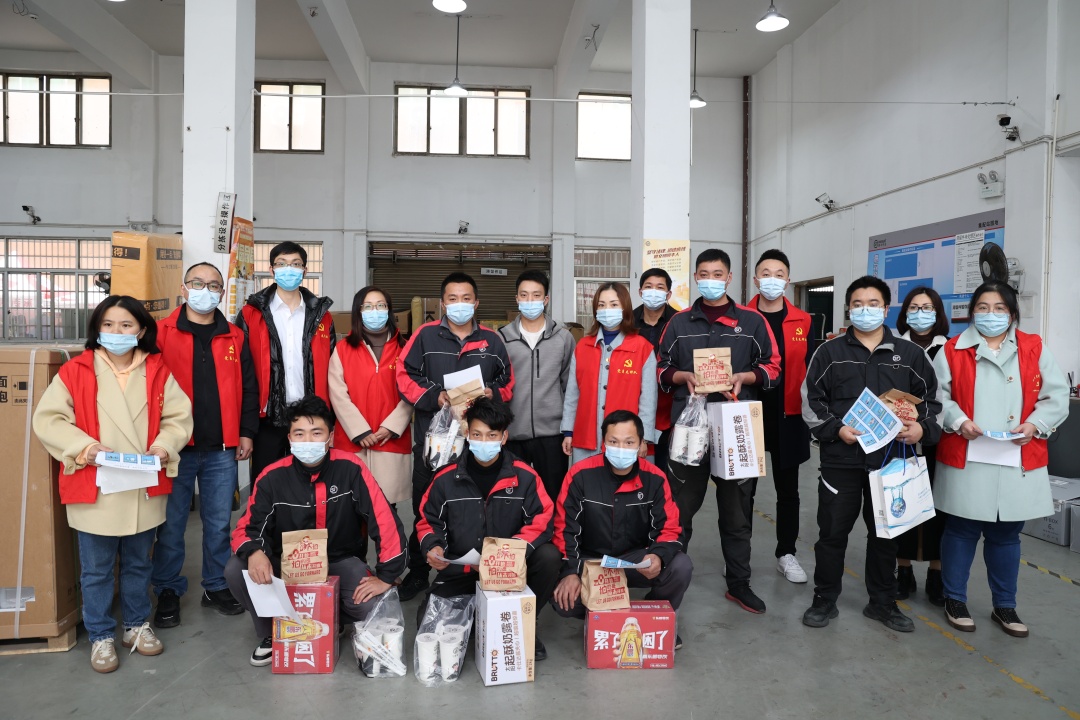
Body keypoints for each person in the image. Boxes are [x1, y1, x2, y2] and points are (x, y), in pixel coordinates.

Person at [33, 296, 193, 673]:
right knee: (97, 569)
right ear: (97, 329)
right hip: (95, 483)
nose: (116, 332)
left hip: (141, 484)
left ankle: (136, 626)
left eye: (125, 325)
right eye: (108, 325)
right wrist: (84, 448)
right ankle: (101, 634)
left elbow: (178, 417)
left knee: (139, 563)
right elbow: (49, 419)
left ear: (141, 330)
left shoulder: (157, 370)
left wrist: (164, 446)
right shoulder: (76, 370)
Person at [800, 275, 941, 633]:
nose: (866, 310)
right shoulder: (829, 352)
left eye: (873, 304)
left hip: (891, 461)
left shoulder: (911, 355)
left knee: (886, 535)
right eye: (858, 304)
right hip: (841, 460)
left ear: (886, 308)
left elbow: (933, 402)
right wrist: (837, 430)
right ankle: (824, 598)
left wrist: (921, 429)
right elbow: (811, 401)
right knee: (832, 534)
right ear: (848, 309)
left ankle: (882, 602)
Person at [225, 395, 407, 666]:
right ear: (289, 438)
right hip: (286, 566)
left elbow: (383, 519)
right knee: (236, 569)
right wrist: (254, 552)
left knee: (371, 605)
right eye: (299, 434)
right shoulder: (272, 477)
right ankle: (272, 631)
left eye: (316, 433)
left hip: (340, 562)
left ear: (330, 437)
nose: (307, 441)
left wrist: (387, 576)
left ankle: (333, 620)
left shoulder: (351, 468)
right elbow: (246, 527)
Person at [932, 281, 1068, 638]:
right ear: (972, 311)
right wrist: (959, 421)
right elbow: (937, 397)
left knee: (1007, 534)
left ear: (1012, 313)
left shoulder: (1034, 347)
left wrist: (1034, 424)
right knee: (961, 530)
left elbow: (1056, 396)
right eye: (983, 307)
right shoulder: (952, 350)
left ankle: (1005, 605)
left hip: (1016, 453)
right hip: (968, 452)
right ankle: (954, 599)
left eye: (999, 308)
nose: (990, 315)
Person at [656, 248, 780, 614]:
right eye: (704, 274)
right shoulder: (679, 323)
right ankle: (668, 582)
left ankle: (739, 584)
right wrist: (683, 376)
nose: (711, 279)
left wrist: (746, 377)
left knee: (737, 513)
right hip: (690, 428)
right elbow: (661, 369)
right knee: (679, 511)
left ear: (729, 278)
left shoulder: (752, 321)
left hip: (736, 428)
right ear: (696, 277)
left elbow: (773, 368)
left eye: (718, 274)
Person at [151, 263, 260, 628]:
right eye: (197, 283)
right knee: (171, 525)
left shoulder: (234, 336)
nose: (205, 290)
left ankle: (215, 586)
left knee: (217, 524)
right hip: (173, 448)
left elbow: (249, 387)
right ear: (184, 289)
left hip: (220, 448)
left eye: (213, 285)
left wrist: (246, 432)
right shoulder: (161, 333)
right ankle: (168, 589)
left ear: (222, 292)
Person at [396, 272, 515, 600]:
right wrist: (435, 396)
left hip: (478, 444)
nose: (459, 304)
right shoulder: (425, 336)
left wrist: (492, 393)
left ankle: (474, 570)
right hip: (434, 443)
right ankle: (419, 571)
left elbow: (507, 381)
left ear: (476, 303)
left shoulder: (491, 340)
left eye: (466, 299)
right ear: (442, 303)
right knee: (425, 509)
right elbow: (404, 374)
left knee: (473, 509)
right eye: (452, 299)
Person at [416, 397, 560, 659]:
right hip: (461, 571)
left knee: (549, 556)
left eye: (492, 435)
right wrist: (433, 546)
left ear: (504, 437)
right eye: (477, 434)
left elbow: (543, 518)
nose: (484, 442)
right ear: (467, 434)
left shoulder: (525, 476)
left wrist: (507, 554)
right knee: (428, 625)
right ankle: (486, 621)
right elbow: (428, 520)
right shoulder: (445, 478)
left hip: (510, 573)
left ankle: (524, 623)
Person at [552, 410, 692, 648]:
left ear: (641, 444)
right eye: (613, 441)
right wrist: (570, 572)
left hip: (635, 562)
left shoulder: (655, 478)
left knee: (680, 566)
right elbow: (564, 528)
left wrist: (658, 556)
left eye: (629, 442)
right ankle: (606, 618)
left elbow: (670, 528)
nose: (621, 448)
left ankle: (654, 617)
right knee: (563, 601)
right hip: (591, 563)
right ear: (603, 443)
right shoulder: (580, 474)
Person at [234, 241, 336, 482]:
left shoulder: (322, 316)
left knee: (311, 484)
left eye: (295, 264)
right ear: (271, 270)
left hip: (311, 417)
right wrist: (245, 426)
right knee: (267, 483)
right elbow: (241, 370)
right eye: (282, 264)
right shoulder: (251, 314)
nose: (288, 269)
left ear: (305, 271)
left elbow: (334, 368)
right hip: (267, 418)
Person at [747, 250, 813, 585]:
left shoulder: (803, 320)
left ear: (788, 280)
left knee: (788, 491)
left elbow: (811, 367)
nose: (772, 279)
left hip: (789, 415)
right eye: (765, 273)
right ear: (755, 279)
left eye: (779, 273)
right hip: (747, 414)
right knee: (743, 491)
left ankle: (786, 553)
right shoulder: (740, 317)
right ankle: (738, 555)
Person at [329, 286, 413, 509]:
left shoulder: (405, 348)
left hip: (389, 440)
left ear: (389, 310)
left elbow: (411, 392)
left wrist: (391, 427)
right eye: (368, 306)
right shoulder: (342, 349)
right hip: (353, 442)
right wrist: (359, 431)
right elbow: (337, 393)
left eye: (380, 305)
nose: (375, 311)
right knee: (351, 511)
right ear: (358, 311)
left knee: (387, 511)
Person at [893, 285, 951, 606]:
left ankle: (936, 574)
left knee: (937, 508)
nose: (920, 313)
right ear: (905, 313)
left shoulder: (951, 349)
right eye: (914, 307)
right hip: (899, 438)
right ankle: (902, 570)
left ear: (938, 313)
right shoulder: (893, 345)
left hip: (937, 439)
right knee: (900, 500)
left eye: (927, 308)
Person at [498, 270, 575, 501]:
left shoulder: (563, 338)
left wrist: (569, 429)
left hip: (552, 435)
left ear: (546, 299)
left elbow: (570, 387)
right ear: (517, 299)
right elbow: (498, 385)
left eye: (536, 295)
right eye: (524, 295)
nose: (529, 300)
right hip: (512, 433)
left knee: (552, 496)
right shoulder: (502, 338)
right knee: (513, 496)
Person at [561, 282, 658, 466]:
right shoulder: (583, 346)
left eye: (614, 304)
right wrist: (568, 431)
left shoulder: (642, 348)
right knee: (587, 482)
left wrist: (643, 437)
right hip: (586, 438)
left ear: (625, 308)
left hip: (626, 440)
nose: (607, 310)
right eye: (602, 305)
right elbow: (572, 394)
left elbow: (648, 400)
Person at [633, 267, 678, 475]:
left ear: (668, 294)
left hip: (669, 408)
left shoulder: (679, 322)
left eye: (660, 287)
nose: (654, 291)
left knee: (665, 469)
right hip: (633, 404)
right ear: (640, 291)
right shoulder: (626, 321)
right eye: (648, 286)